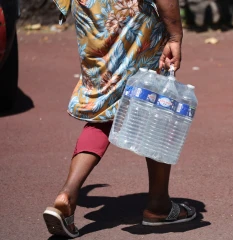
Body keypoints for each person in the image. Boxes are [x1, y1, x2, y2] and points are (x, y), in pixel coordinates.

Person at [43, 0, 196, 238]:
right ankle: (158, 206)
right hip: (129, 17)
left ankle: (68, 195)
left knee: (104, 111)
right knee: (152, 101)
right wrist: (175, 36)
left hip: (90, 16)